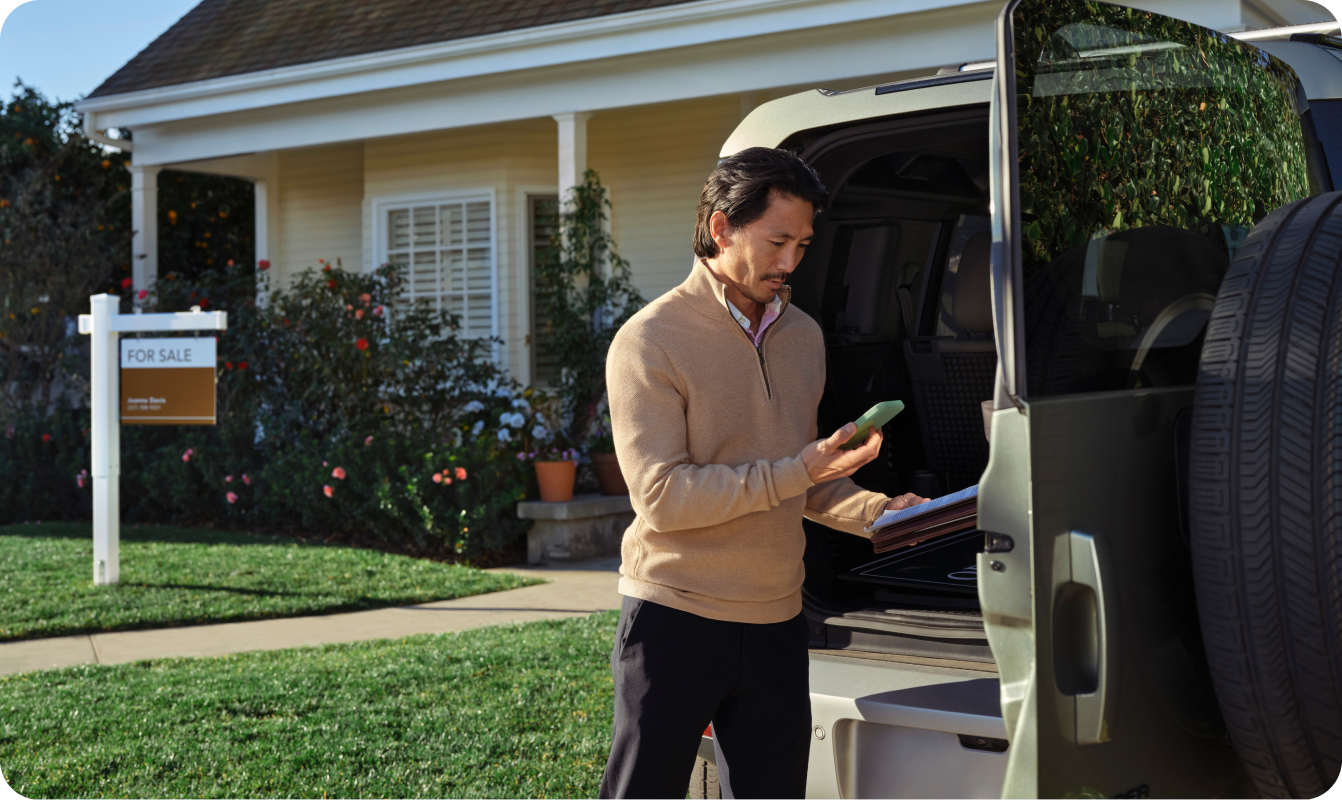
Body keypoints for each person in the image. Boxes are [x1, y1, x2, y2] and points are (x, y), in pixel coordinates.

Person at [599, 146, 927, 799]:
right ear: (721, 228)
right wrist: (798, 469)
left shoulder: (802, 335)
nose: (790, 262)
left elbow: (799, 480)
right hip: (675, 617)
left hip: (777, 617)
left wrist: (878, 514)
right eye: (777, 241)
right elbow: (664, 498)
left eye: (803, 244)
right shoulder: (649, 341)